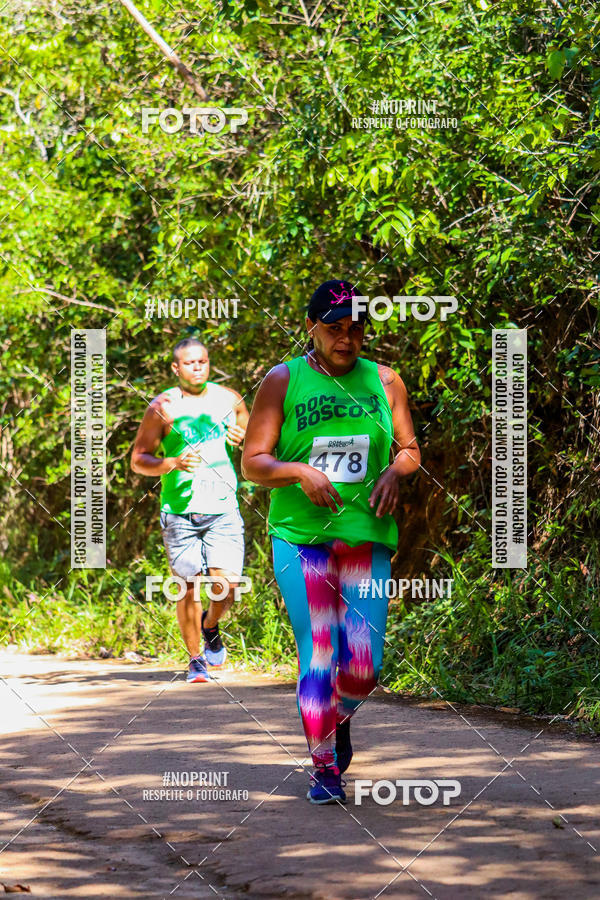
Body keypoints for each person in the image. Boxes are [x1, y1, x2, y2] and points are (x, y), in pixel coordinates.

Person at [242, 279, 420, 804]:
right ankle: (324, 767)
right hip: (301, 538)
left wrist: (395, 472)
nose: (347, 339)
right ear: (311, 328)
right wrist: (298, 471)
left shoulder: (386, 382)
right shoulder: (283, 380)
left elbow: (410, 449)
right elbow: (253, 463)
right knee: (320, 654)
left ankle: (332, 719)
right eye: (335, 328)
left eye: (356, 329)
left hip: (365, 536)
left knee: (363, 670)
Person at [131, 338, 249, 683]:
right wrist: (171, 462)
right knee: (188, 586)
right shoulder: (162, 406)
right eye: (190, 363)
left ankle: (210, 625)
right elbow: (139, 460)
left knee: (226, 585)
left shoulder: (229, 399)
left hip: (223, 506)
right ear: (176, 368)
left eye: (203, 361)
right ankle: (196, 659)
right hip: (180, 510)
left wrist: (242, 436)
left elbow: (254, 434)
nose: (198, 367)